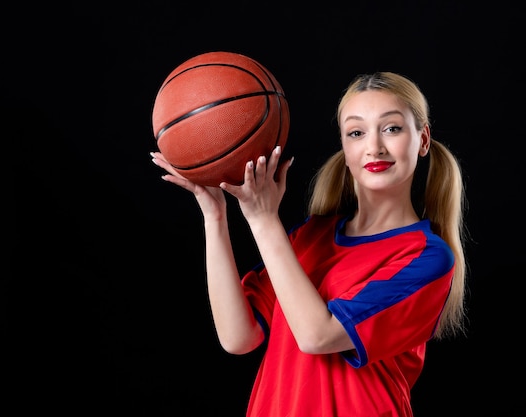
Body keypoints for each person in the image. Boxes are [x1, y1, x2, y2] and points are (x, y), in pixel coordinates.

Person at [150, 71, 468, 417]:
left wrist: (262, 219)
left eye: (392, 128)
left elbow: (318, 336)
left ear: (422, 140)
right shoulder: (310, 236)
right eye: (356, 132)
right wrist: (215, 217)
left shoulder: (427, 257)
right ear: (345, 148)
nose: (374, 146)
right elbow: (238, 337)